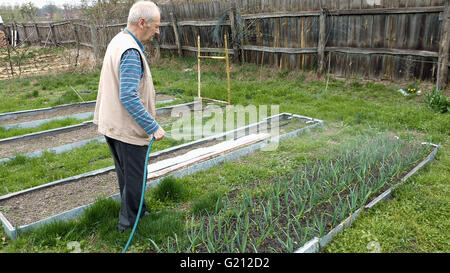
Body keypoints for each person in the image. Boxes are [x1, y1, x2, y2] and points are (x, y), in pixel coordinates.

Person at [93, 1, 165, 232]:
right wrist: (153, 126)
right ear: (142, 23)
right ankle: (129, 225)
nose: (157, 31)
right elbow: (128, 96)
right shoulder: (131, 51)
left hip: (112, 124)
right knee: (134, 178)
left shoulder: (119, 40)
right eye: (155, 26)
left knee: (128, 176)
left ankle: (138, 213)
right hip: (127, 128)